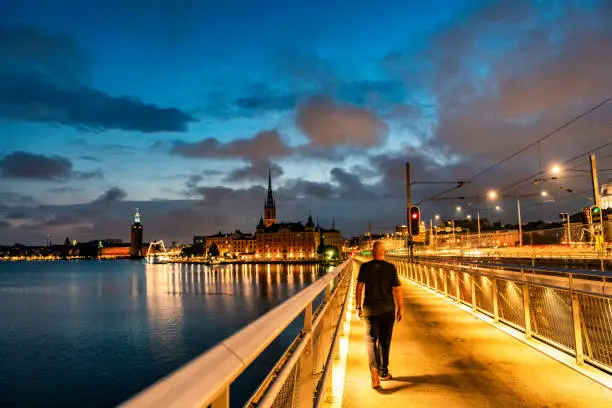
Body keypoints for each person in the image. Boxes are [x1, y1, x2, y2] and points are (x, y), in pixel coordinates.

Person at [355, 241, 403, 388]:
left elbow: (359, 287)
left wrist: (358, 307)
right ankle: (384, 372)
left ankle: (374, 372)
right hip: (388, 310)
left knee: (370, 340)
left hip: (370, 310)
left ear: (372, 252)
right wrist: (401, 308)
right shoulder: (390, 268)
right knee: (385, 341)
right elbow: (397, 289)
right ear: (384, 252)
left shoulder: (365, 266)